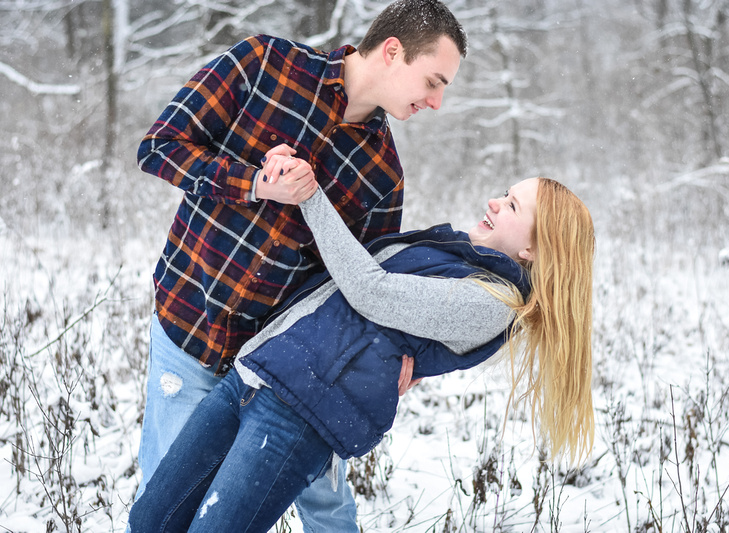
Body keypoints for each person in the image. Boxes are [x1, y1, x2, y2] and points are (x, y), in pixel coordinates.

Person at [133, 0, 467, 530]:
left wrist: (402, 351)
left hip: (279, 369)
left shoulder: (384, 174)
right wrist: (256, 183)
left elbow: (364, 290)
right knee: (166, 511)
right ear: (393, 51)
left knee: (329, 514)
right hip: (190, 333)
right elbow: (158, 146)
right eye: (433, 80)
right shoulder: (264, 63)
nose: (437, 101)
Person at [128, 161, 596, 532]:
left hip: (295, 417)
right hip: (253, 375)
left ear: (535, 250)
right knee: (150, 521)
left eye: (512, 206)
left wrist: (311, 196)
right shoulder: (455, 256)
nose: (495, 202)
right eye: (505, 193)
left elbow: (369, 290)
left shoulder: (490, 303)